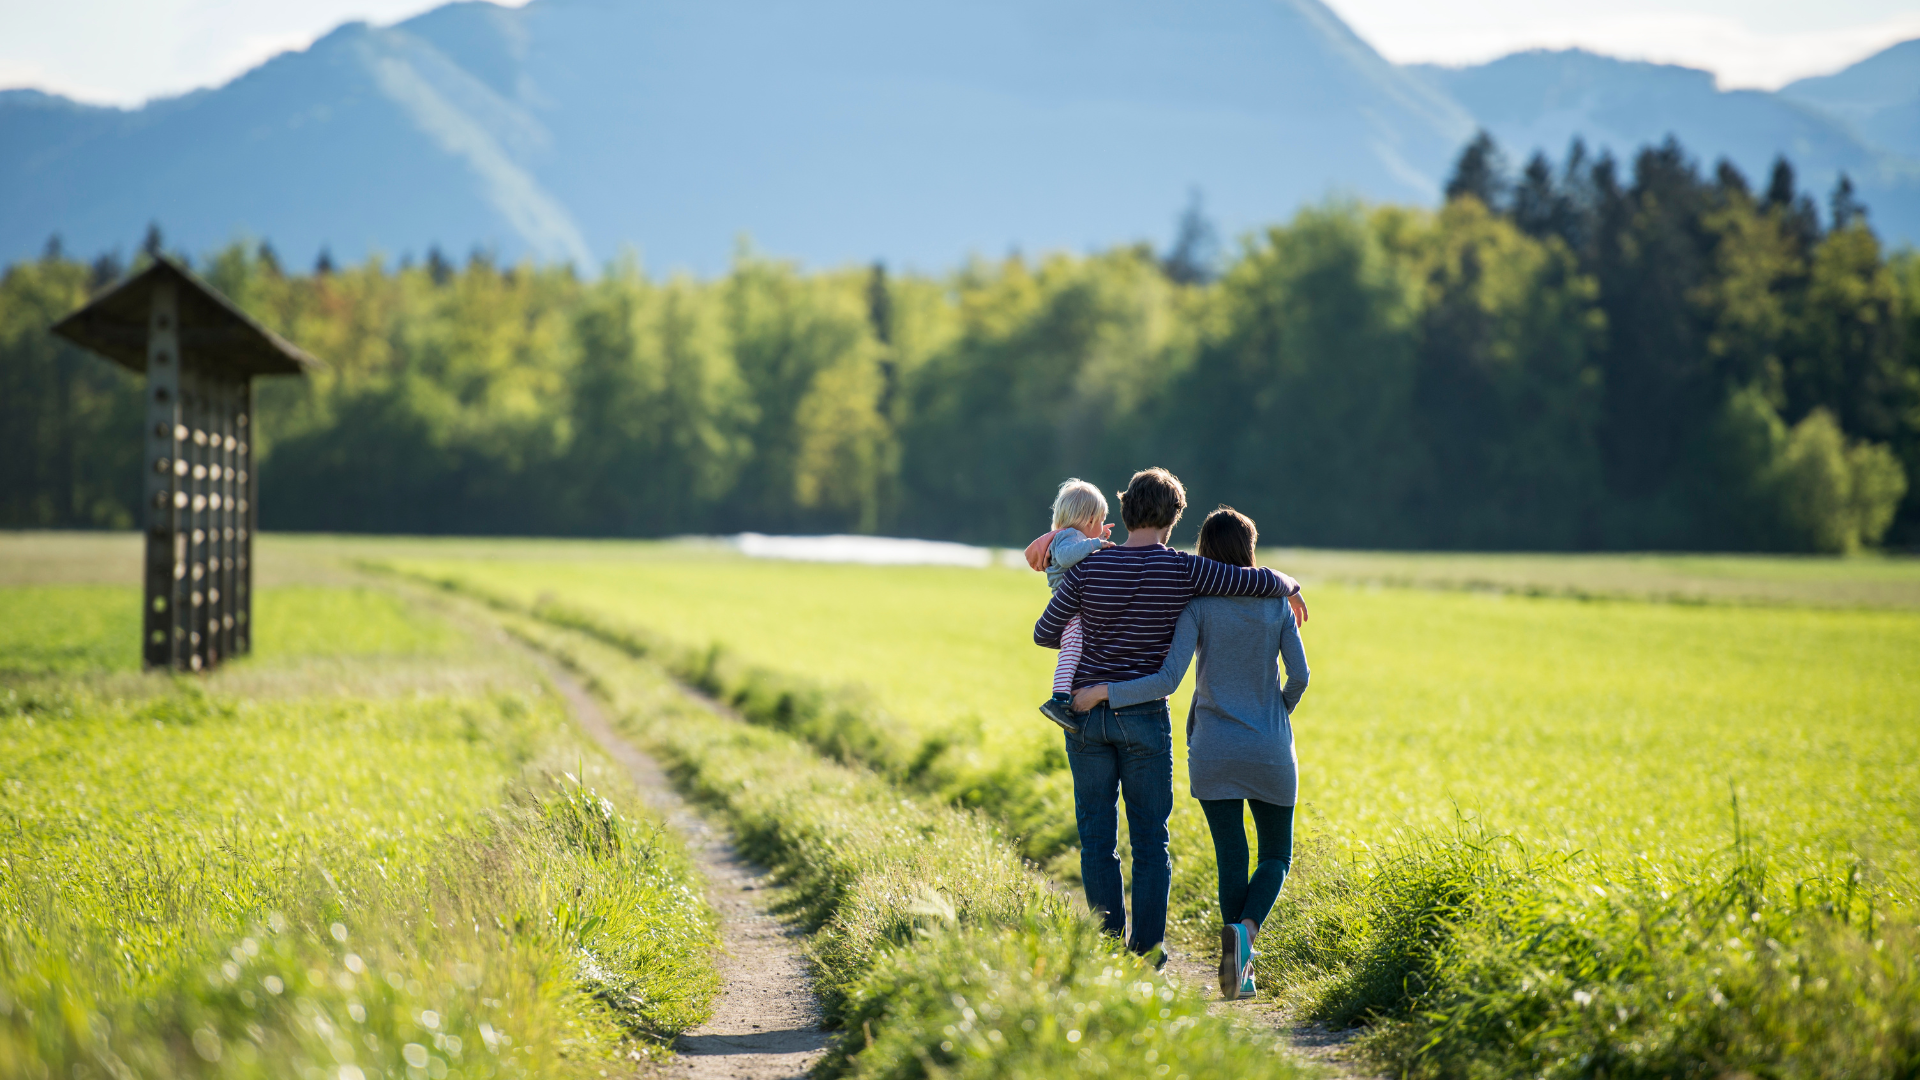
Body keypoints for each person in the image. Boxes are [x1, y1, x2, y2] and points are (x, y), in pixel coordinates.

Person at [1033, 468, 1306, 960]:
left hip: (1085, 712)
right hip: (1143, 717)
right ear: (1175, 518)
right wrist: (1289, 585)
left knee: (1097, 835)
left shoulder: (1092, 567)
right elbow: (1251, 579)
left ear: (1124, 512)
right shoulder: (1184, 569)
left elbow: (1044, 632)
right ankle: (1148, 950)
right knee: (1149, 839)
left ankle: (1106, 947)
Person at [1023, 479, 1116, 733]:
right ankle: (1059, 698)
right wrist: (1096, 543)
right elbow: (1066, 557)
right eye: (1100, 521)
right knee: (1073, 645)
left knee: (1077, 644)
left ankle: (1063, 693)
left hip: (1073, 604)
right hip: (1069, 608)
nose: (1100, 529)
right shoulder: (1067, 537)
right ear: (1088, 520)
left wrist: (1099, 539)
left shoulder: (1073, 536)